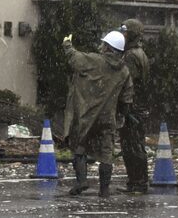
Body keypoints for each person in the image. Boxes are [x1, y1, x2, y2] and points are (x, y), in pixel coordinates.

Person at [62, 30, 133, 197]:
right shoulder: (124, 71)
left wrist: (67, 44)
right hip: (108, 117)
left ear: (107, 47)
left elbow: (75, 59)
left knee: (80, 145)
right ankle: (104, 189)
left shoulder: (95, 60)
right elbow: (127, 96)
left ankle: (81, 181)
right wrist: (124, 114)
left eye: (104, 44)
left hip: (87, 114)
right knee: (107, 152)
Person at [117, 19, 150, 194]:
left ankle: (137, 182)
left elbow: (128, 82)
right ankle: (139, 181)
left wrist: (125, 107)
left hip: (132, 106)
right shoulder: (140, 53)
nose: (123, 35)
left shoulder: (130, 55)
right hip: (139, 105)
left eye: (125, 32)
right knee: (136, 144)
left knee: (131, 145)